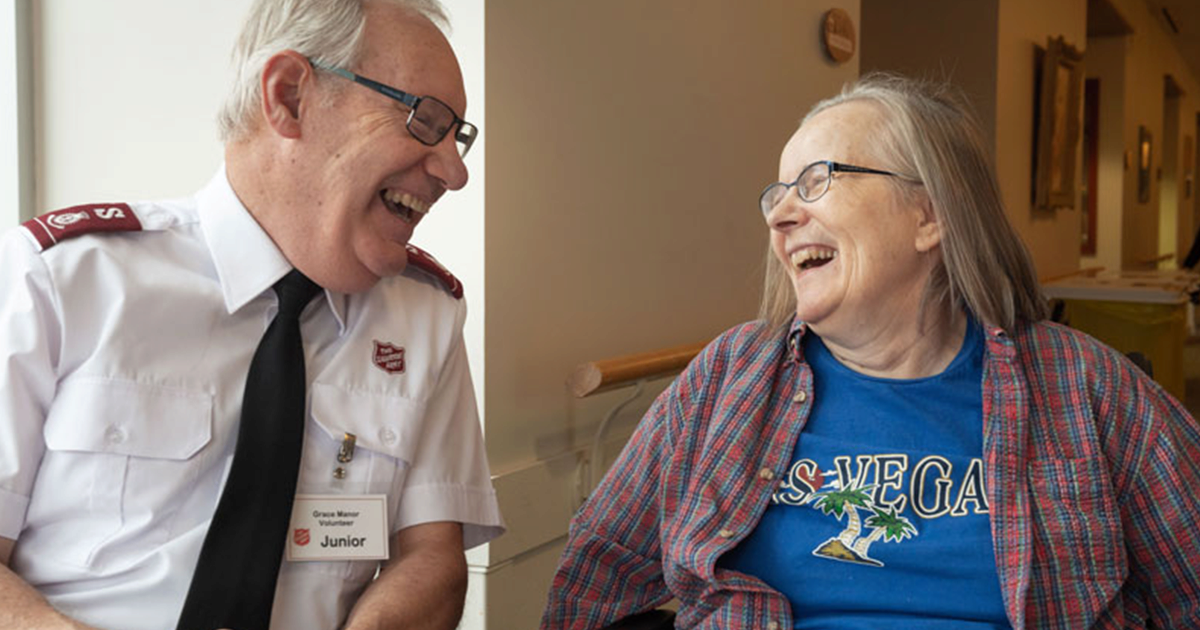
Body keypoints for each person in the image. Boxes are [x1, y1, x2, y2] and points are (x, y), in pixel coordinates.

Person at [541, 74, 1200, 629]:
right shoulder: (725, 380)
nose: (779, 216)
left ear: (930, 215)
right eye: (778, 193)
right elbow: (593, 580)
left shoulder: (1085, 387)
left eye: (818, 180)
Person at [0, 1, 503, 629]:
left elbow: (432, 560)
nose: (454, 173)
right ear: (289, 96)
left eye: (457, 136)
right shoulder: (61, 279)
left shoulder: (424, 316)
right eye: (424, 121)